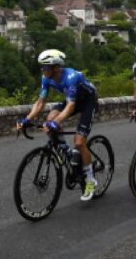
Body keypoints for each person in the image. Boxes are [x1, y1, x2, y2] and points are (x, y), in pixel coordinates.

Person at [17, 49, 99, 201]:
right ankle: (67, 151)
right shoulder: (46, 78)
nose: (43, 70)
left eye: (46, 67)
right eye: (42, 67)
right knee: (50, 117)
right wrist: (27, 119)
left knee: (80, 142)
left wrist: (55, 123)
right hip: (71, 100)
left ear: (56, 67)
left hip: (88, 102)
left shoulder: (72, 77)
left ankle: (90, 180)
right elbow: (41, 102)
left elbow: (71, 107)